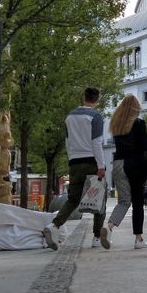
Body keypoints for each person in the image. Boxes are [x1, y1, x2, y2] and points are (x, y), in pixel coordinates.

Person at [43, 87, 107, 251]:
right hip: (92, 162)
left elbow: (67, 141)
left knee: (73, 199)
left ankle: (54, 226)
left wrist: (71, 159)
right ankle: (97, 237)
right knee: (99, 199)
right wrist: (101, 166)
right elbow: (96, 143)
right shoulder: (96, 116)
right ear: (97, 100)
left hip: (75, 162)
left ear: (83, 97)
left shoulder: (69, 117)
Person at [99, 94, 147, 250]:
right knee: (138, 203)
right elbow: (145, 147)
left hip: (119, 164)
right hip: (135, 164)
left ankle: (109, 227)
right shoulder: (139, 124)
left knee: (124, 201)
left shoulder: (116, 124)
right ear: (136, 108)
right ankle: (138, 239)